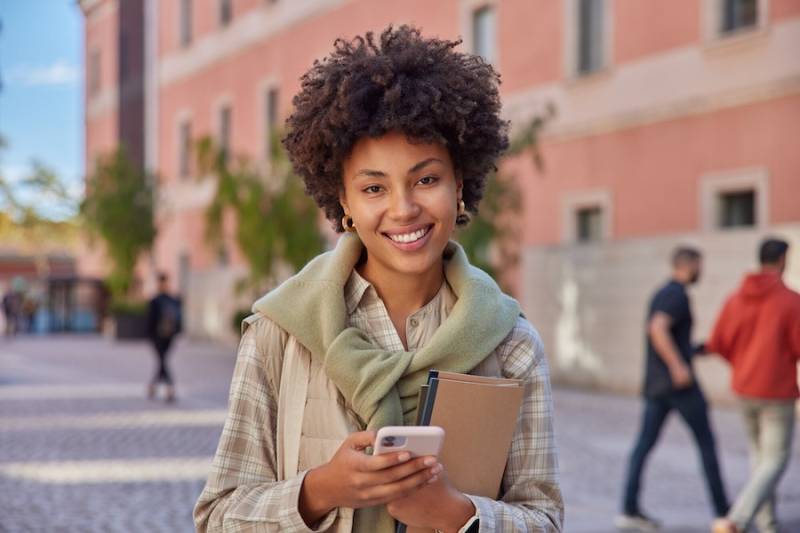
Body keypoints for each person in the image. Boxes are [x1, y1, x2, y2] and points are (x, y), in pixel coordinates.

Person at [194, 26, 563, 533]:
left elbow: (543, 518)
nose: (403, 209)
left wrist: (459, 517)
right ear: (343, 201)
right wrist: (321, 490)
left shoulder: (512, 345)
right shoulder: (279, 334)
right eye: (373, 188)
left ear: (460, 186)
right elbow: (216, 516)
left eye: (426, 179)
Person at [616, 247, 729, 532]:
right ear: (689, 265)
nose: (701, 271)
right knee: (706, 443)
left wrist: (694, 350)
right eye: (700, 265)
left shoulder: (663, 292)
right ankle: (724, 514)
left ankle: (629, 510)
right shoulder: (675, 294)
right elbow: (657, 328)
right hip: (678, 386)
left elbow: (665, 333)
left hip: (658, 385)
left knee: (644, 445)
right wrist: (679, 366)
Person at [705, 238, 800, 533]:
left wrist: (744, 363)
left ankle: (767, 524)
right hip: (776, 391)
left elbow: (717, 342)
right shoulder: (790, 301)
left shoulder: (736, 298)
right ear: (783, 259)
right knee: (775, 460)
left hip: (744, 388)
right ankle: (738, 519)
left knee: (759, 458)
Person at [146, 273, 182, 402]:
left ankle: (167, 387)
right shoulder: (172, 300)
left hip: (159, 337)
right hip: (168, 336)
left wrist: (149, 336)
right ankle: (159, 387)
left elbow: (150, 320)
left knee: (162, 361)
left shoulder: (156, 300)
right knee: (163, 361)